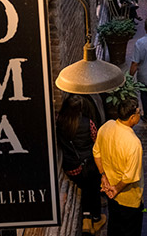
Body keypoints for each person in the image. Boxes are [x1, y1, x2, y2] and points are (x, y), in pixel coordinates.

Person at [93, 97, 143, 236]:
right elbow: (130, 177)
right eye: (138, 112)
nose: (140, 114)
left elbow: (96, 152)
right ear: (132, 117)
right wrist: (116, 189)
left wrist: (103, 176)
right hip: (128, 199)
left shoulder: (107, 126)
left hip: (110, 192)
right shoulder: (134, 143)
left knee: (114, 228)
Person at [57, 95, 106, 234]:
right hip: (88, 165)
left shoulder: (60, 122)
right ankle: (96, 219)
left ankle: (85, 219)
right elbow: (96, 141)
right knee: (94, 190)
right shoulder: (88, 123)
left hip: (71, 167)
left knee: (84, 190)